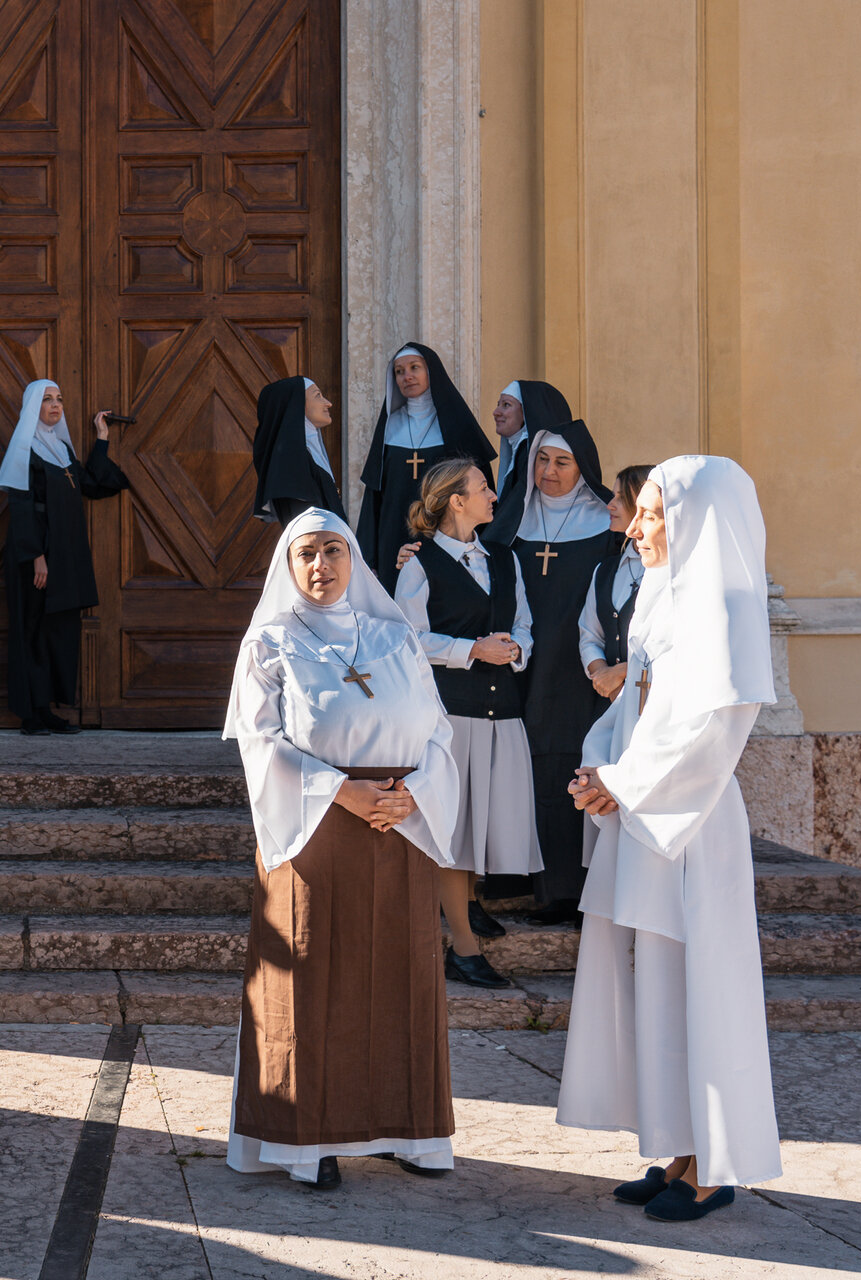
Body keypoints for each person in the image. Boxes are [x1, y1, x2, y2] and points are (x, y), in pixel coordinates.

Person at [559, 456, 780, 1221]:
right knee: (652, 981)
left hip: (693, 819)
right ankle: (676, 1147)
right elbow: (636, 713)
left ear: (694, 518)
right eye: (642, 511)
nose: (638, 526)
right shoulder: (661, 596)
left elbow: (710, 728)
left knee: (698, 982)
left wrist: (623, 782)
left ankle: (715, 1164)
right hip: (642, 808)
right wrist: (598, 767)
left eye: (652, 513)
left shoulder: (723, 602)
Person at [223, 508, 461, 1191]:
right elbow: (260, 744)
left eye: (334, 550)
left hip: (399, 822)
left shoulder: (397, 640)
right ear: (288, 567)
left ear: (354, 559)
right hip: (315, 826)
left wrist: (413, 793)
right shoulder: (268, 644)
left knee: (403, 976)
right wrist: (340, 793)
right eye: (307, 554)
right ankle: (307, 1140)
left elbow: (439, 732)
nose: (322, 565)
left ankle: (410, 1131)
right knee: (311, 980)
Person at [392, 461, 539, 989]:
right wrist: (471, 649)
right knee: (452, 830)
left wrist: (516, 647)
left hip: (504, 713)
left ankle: (469, 904)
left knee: (483, 819)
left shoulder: (504, 558)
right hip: (450, 715)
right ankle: (464, 946)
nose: (493, 495)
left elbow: (523, 620)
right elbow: (407, 641)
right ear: (457, 500)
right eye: (482, 488)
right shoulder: (419, 566)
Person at [504, 421, 614, 926]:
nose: (549, 471)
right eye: (542, 461)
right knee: (526, 771)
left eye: (562, 462)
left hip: (581, 672)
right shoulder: (509, 520)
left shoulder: (606, 526)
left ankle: (576, 890)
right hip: (520, 667)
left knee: (574, 768)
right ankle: (532, 886)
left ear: (582, 468)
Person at [0, 379, 131, 735]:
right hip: (36, 556)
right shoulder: (26, 450)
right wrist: (36, 556)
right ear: (32, 408)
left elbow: (95, 485)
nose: (55, 406)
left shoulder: (62, 451)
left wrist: (102, 437)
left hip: (65, 556)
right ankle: (31, 714)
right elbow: (21, 506)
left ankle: (50, 709)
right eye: (47, 400)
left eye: (59, 399)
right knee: (33, 630)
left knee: (58, 631)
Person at [354, 344, 493, 592]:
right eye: (399, 371)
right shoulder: (390, 427)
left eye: (414, 368)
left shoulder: (456, 426)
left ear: (432, 372)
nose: (407, 376)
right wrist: (368, 558)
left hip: (445, 539)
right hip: (392, 538)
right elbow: (374, 497)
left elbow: (479, 491)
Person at [579, 464, 652, 703]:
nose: (610, 505)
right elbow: (590, 635)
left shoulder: (671, 571)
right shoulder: (605, 570)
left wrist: (620, 673)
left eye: (621, 498)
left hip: (656, 703)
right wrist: (604, 678)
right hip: (610, 703)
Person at [484, 380, 573, 542]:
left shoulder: (530, 454)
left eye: (506, 405)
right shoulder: (521, 449)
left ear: (528, 412)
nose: (496, 412)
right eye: (498, 405)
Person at [249, 376, 344, 524]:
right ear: (297, 404)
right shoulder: (290, 465)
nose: (328, 403)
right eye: (318, 395)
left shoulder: (306, 454)